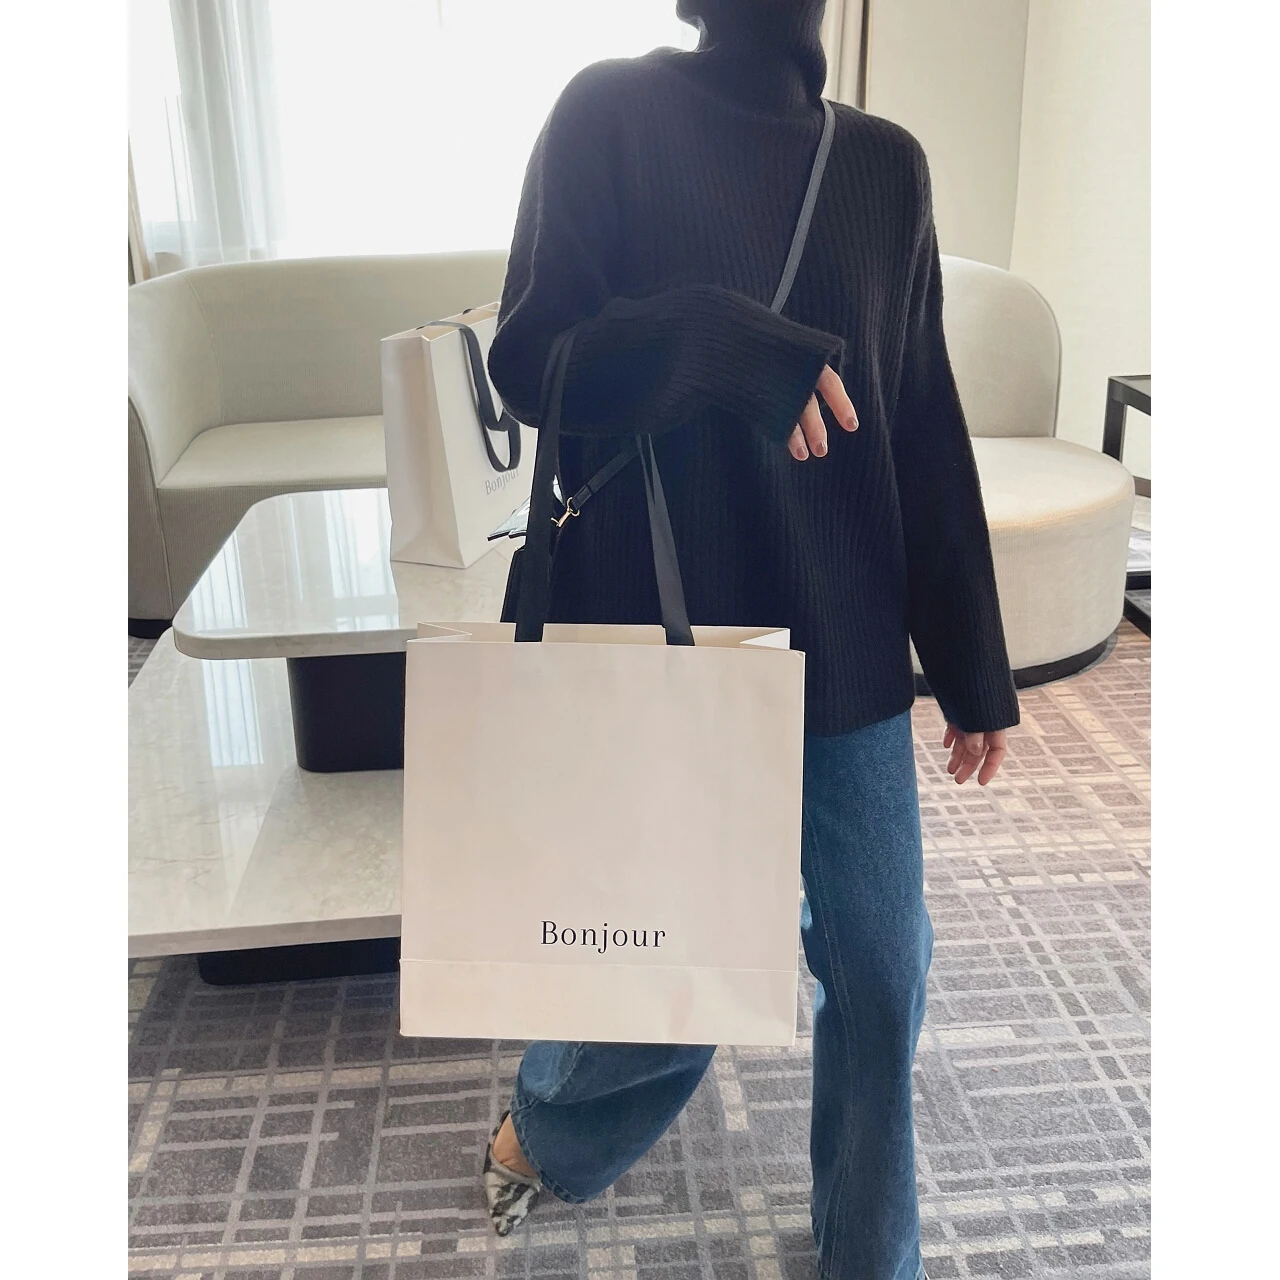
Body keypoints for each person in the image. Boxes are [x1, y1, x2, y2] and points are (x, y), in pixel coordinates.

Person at [482, 2, 1019, 1276]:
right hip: (664, 632)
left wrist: (970, 663)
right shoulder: (607, 114)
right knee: (677, 977)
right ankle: (548, 1129)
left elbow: (918, 419)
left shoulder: (883, 167)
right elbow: (530, 361)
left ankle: (869, 1255)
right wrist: (715, 341)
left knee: (881, 969)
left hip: (842, 638)